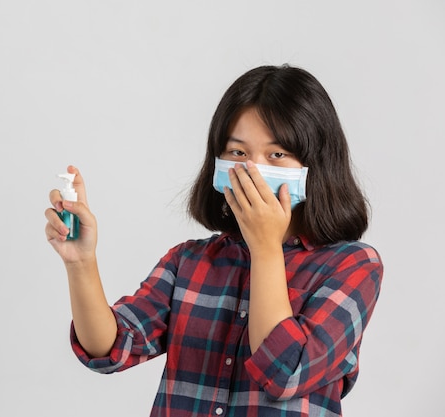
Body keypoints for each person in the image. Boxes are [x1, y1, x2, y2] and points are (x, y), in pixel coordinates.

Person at [44, 64, 383, 417]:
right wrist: (81, 262)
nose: (252, 169)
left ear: (316, 164)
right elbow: (110, 348)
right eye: (237, 153)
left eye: (277, 155)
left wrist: (265, 248)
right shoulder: (188, 261)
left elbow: (284, 372)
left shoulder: (352, 266)